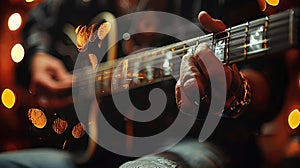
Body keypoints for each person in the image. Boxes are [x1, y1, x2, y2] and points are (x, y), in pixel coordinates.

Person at [6, 0, 297, 167]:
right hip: (93, 152)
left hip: (201, 142)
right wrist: (39, 56)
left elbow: (267, 76)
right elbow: (43, 18)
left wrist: (237, 89)